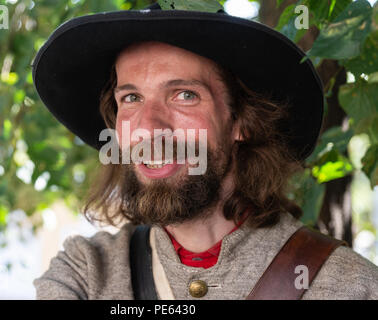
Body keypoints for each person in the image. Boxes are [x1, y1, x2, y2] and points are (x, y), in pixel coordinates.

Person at [31, 3, 378, 300]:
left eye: (184, 95)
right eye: (131, 98)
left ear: (242, 120)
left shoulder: (342, 284)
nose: (148, 128)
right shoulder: (87, 274)